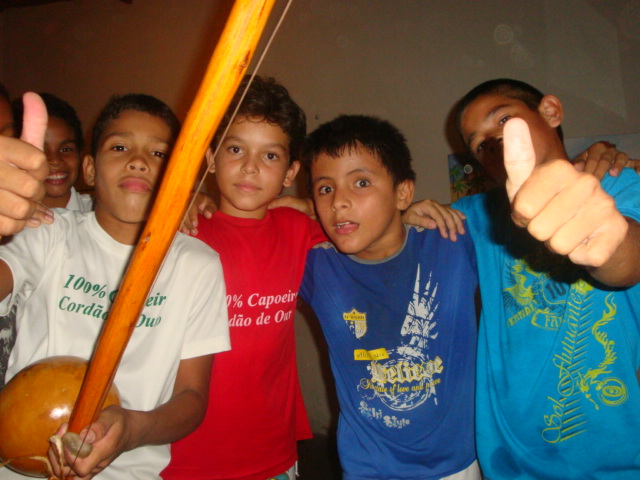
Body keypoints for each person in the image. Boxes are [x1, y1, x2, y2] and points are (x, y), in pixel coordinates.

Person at [414, 78, 640, 479]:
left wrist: (600, 234)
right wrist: (406, 214)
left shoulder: (619, 184)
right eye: (479, 144)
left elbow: (628, 261)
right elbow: (389, 232)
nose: (495, 143)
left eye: (503, 120)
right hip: (509, 459)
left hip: (612, 457)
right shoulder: (477, 215)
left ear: (550, 112)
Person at [0, 93, 230, 479]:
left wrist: (133, 429)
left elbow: (191, 398)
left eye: (159, 154)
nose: (138, 161)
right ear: (90, 170)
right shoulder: (48, 233)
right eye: (120, 147)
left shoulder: (197, 264)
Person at [162, 75, 326, 480]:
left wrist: (404, 213)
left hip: (273, 453)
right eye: (235, 149)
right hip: (183, 457)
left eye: (270, 156)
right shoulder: (182, 231)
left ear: (290, 172)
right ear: (211, 157)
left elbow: (361, 228)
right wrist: (178, 199)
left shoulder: (296, 229)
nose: (250, 167)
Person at [299, 114, 480, 479]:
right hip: (368, 467)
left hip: (457, 463)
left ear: (403, 193)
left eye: (361, 182)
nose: (339, 202)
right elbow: (254, 225)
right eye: (325, 189)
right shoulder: (315, 265)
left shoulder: (452, 241)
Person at [0, 93, 92, 388]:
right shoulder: (12, 231)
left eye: (66, 148)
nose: (53, 160)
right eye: (40, 148)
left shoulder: (101, 218)